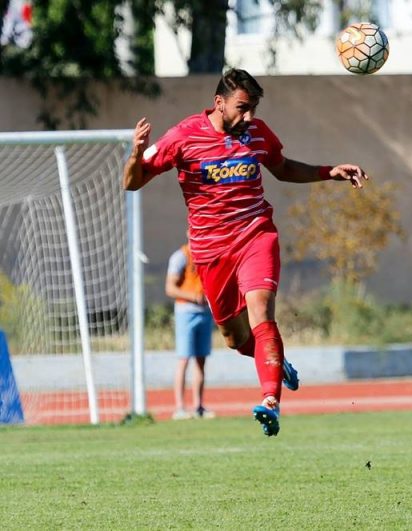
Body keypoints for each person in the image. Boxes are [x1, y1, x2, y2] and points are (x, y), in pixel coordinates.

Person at [123, 68, 368, 436]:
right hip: (210, 252)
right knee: (235, 340)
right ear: (218, 103)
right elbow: (132, 182)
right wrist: (136, 154)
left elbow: (283, 169)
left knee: (261, 312)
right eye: (242, 107)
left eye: (253, 107)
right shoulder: (183, 136)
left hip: (256, 235)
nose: (249, 116)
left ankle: (270, 400)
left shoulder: (257, 133)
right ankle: (274, 361)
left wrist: (327, 172)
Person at [165, 240, 215, 420]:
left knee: (201, 361)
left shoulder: (208, 254)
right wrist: (193, 297)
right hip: (186, 312)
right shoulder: (181, 257)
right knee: (184, 359)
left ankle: (199, 406)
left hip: (205, 313)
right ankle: (179, 407)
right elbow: (170, 288)